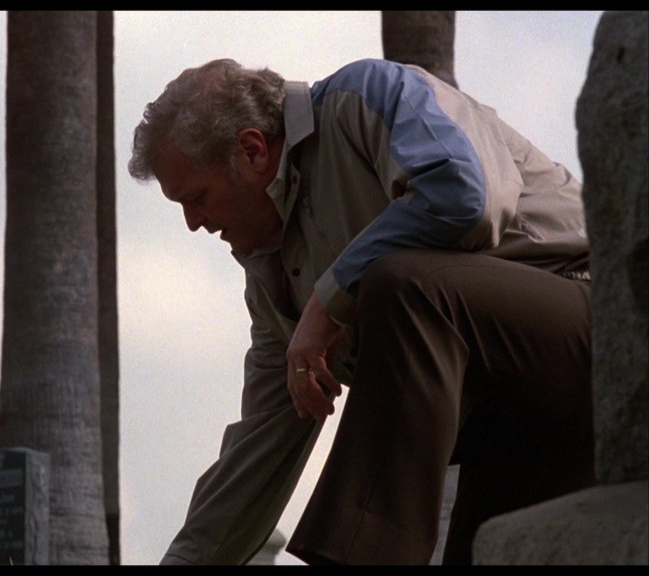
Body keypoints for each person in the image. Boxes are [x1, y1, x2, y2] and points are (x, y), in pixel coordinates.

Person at [128, 57, 595, 565]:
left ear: (252, 149)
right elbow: (257, 454)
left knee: (404, 286)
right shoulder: (272, 280)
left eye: (195, 199)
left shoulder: (364, 97)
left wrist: (327, 304)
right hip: (512, 427)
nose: (193, 224)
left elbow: (464, 197)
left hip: (602, 328)